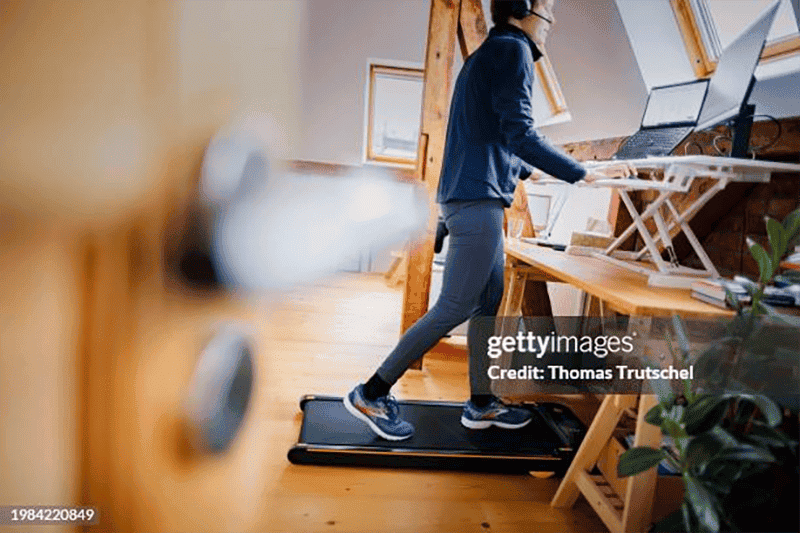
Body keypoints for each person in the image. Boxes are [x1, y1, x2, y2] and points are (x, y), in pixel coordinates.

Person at [344, 0, 635, 441]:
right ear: (523, 10)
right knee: (454, 306)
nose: (552, 22)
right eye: (548, 11)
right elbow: (521, 133)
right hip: (477, 201)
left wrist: (536, 169)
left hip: (477, 196)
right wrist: (583, 173)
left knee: (488, 300)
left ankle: (480, 403)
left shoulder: (493, 51)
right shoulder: (512, 50)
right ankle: (371, 391)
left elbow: (496, 138)